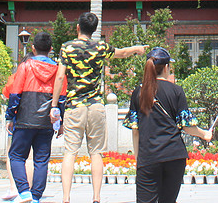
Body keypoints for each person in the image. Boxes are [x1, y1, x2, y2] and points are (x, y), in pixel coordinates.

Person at [51, 12, 147, 203]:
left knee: (70, 152)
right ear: (94, 30)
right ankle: (96, 197)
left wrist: (54, 105)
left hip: (74, 106)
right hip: (95, 106)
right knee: (96, 153)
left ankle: (66, 197)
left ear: (78, 27)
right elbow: (122, 53)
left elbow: (60, 76)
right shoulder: (101, 47)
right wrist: (137, 49)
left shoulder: (67, 47)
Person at [123, 47, 212, 203]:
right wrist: (204, 134)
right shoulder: (176, 91)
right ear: (166, 67)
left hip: (148, 157)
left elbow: (135, 129)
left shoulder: (139, 92)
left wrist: (138, 159)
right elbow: (186, 126)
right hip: (174, 156)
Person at [6, 31, 65, 203]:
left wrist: (10, 117)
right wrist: (59, 122)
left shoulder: (25, 66)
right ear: (51, 49)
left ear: (32, 48)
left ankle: (24, 192)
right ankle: (36, 196)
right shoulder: (57, 70)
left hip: (25, 119)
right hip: (47, 122)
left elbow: (15, 94)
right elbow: (61, 98)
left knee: (16, 156)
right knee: (41, 160)